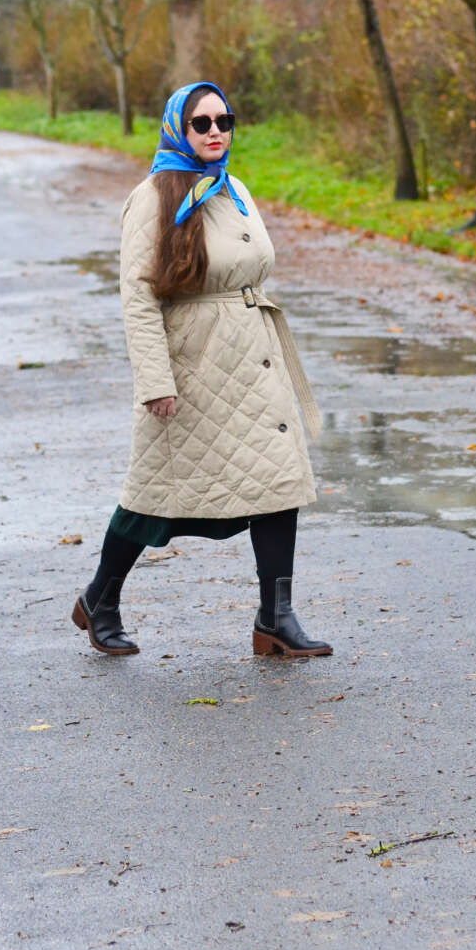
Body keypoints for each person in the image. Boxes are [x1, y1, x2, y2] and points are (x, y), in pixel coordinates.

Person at [72, 80, 331, 658]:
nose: (216, 131)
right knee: (153, 494)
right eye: (202, 123)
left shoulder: (235, 188)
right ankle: (100, 600)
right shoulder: (155, 196)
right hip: (193, 365)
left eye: (225, 120)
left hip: (254, 355)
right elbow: (138, 296)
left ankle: (276, 619)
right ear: (177, 129)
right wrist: (155, 381)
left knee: (277, 480)